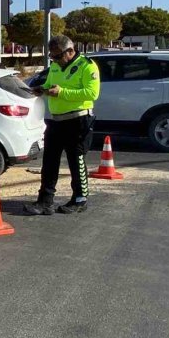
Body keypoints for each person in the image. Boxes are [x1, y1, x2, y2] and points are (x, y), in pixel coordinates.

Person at [24, 34, 100, 215]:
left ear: (70, 51)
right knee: (49, 161)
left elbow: (92, 93)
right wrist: (43, 90)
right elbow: (51, 85)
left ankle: (80, 199)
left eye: (58, 56)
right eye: (52, 57)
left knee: (76, 161)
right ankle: (45, 201)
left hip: (78, 120)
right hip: (57, 120)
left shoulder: (87, 66)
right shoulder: (55, 67)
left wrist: (62, 92)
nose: (55, 60)